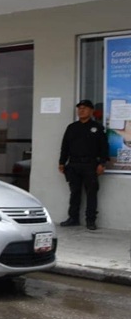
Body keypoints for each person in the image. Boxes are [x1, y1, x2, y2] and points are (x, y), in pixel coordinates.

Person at [58, 99, 109, 230]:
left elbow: (104, 147)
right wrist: (62, 162)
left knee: (91, 193)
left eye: (84, 108)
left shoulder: (97, 128)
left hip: (90, 165)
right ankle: (73, 218)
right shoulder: (72, 127)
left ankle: (90, 220)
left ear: (91, 111)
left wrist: (102, 163)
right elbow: (65, 146)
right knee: (74, 193)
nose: (81, 111)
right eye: (79, 108)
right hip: (74, 164)